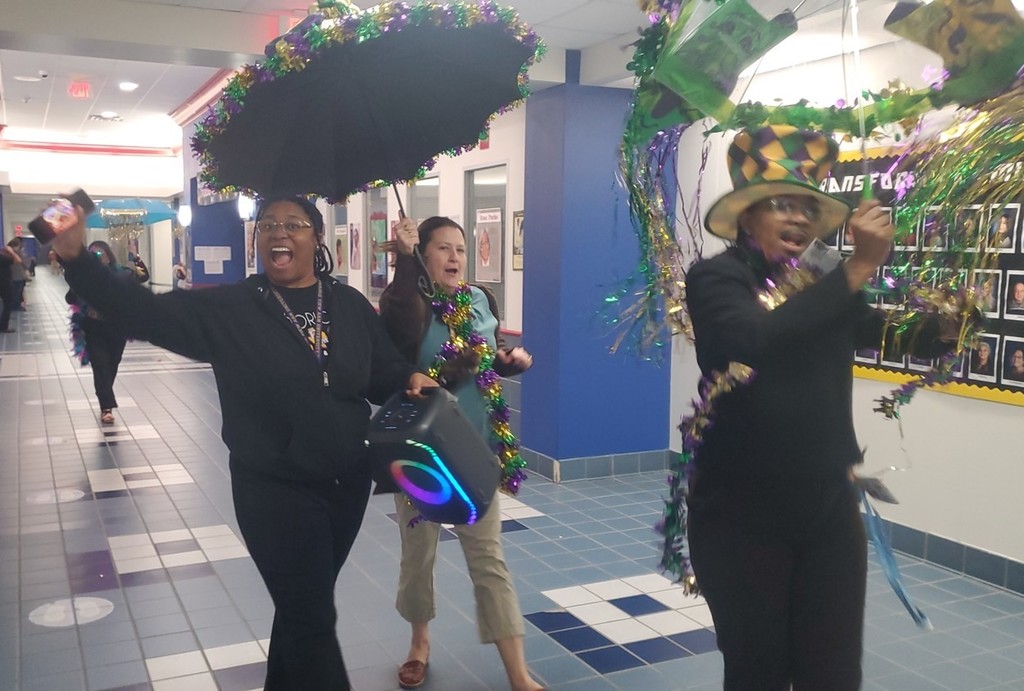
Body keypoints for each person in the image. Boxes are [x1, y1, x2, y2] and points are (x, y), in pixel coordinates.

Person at [52, 194, 437, 691]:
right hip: (272, 489)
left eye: (294, 224)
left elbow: (379, 371)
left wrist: (409, 377)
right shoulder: (233, 308)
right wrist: (78, 259)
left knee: (301, 612)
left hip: (345, 486)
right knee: (311, 617)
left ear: (317, 238)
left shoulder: (347, 305)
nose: (278, 232)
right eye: (267, 224)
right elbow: (141, 312)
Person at [684, 126, 958, 690]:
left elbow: (887, 336)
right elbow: (750, 342)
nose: (801, 219)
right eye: (782, 204)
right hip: (740, 515)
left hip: (826, 509)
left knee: (831, 672)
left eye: (809, 207)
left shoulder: (826, 283)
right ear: (747, 216)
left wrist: (950, 323)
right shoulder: (716, 279)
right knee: (759, 668)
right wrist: (857, 268)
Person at [379, 216, 542, 691]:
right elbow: (396, 329)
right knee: (419, 557)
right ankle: (419, 644)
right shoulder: (410, 303)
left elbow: (485, 364)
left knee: (489, 559)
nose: (454, 258)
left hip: (477, 450)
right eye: (443, 249)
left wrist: (507, 363)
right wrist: (405, 262)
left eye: (460, 249)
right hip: (423, 454)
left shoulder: (480, 300)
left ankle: (518, 674)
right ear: (425, 255)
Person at [65, 241, 151, 425]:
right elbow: (70, 298)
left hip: (117, 327)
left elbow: (143, 276)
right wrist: (79, 278)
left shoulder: (120, 273)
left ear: (107, 255)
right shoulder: (84, 277)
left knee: (112, 363)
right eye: (92, 255)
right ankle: (106, 407)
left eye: (100, 253)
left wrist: (135, 255)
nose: (97, 257)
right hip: (93, 327)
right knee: (100, 364)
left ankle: (105, 394)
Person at [0, 242, 20, 333]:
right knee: (7, 304)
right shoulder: (3, 258)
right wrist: (12, 252)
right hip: (5, 284)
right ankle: (4, 327)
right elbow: (18, 261)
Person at [8, 238, 28, 311]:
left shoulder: (9, 252)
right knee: (18, 292)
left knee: (16, 292)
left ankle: (15, 305)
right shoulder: (17, 252)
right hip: (18, 275)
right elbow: (23, 262)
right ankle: (16, 306)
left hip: (14, 275)